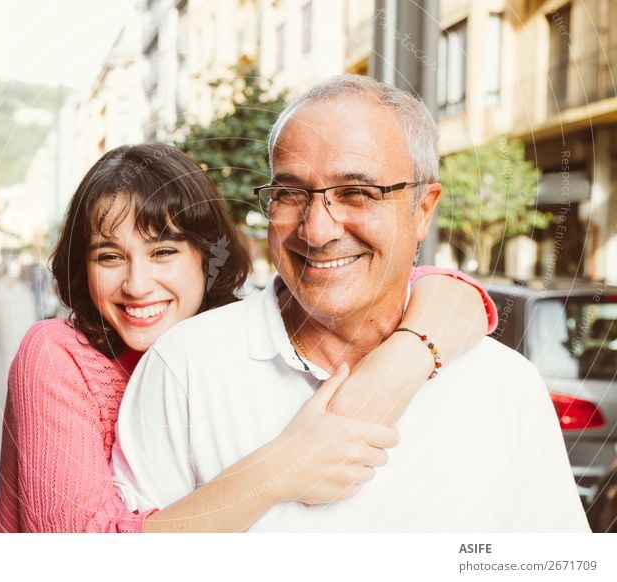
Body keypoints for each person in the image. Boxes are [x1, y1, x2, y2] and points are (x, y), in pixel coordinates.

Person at [112, 77, 591, 532]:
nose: (317, 230)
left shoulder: (504, 386)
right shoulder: (184, 369)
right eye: (290, 193)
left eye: (357, 193)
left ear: (423, 209)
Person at [0, 142, 494, 533]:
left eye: (163, 252)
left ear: (205, 256)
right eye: (109, 256)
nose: (137, 284)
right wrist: (285, 466)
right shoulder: (57, 354)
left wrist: (404, 358)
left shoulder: (221, 344)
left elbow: (441, 286)